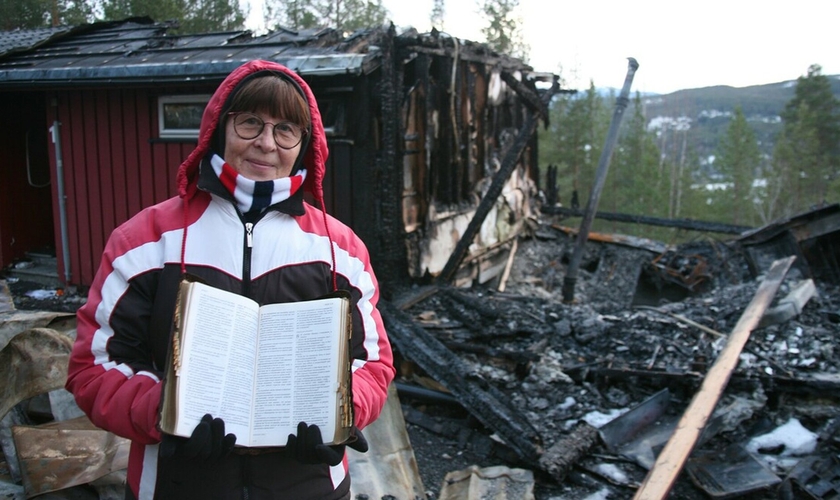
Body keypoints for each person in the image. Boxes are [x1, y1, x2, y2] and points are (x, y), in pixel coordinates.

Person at [65, 60, 395, 500]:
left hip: (310, 487)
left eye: (286, 130)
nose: (266, 143)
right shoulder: (145, 240)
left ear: (305, 144)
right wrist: (163, 412)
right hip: (174, 486)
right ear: (220, 127)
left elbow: (372, 365)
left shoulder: (340, 249)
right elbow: (93, 368)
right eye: (250, 123)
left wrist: (342, 412)